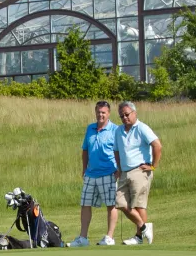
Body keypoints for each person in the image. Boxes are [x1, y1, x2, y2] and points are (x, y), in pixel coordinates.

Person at [69, 101, 119, 247]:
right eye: (98, 112)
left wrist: (119, 170)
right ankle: (83, 238)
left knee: (111, 205)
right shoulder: (90, 128)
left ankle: (109, 237)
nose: (100, 115)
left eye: (103, 112)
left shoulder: (115, 130)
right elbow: (85, 150)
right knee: (85, 204)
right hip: (91, 173)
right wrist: (84, 169)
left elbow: (119, 151)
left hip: (108, 172)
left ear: (108, 113)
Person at [114, 101, 162, 245]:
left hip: (140, 170)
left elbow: (157, 145)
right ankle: (144, 227)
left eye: (127, 115)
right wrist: (119, 167)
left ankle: (139, 237)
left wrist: (153, 166)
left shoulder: (142, 128)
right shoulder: (118, 130)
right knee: (120, 202)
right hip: (125, 171)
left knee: (139, 205)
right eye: (121, 116)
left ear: (134, 113)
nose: (124, 118)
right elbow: (116, 150)